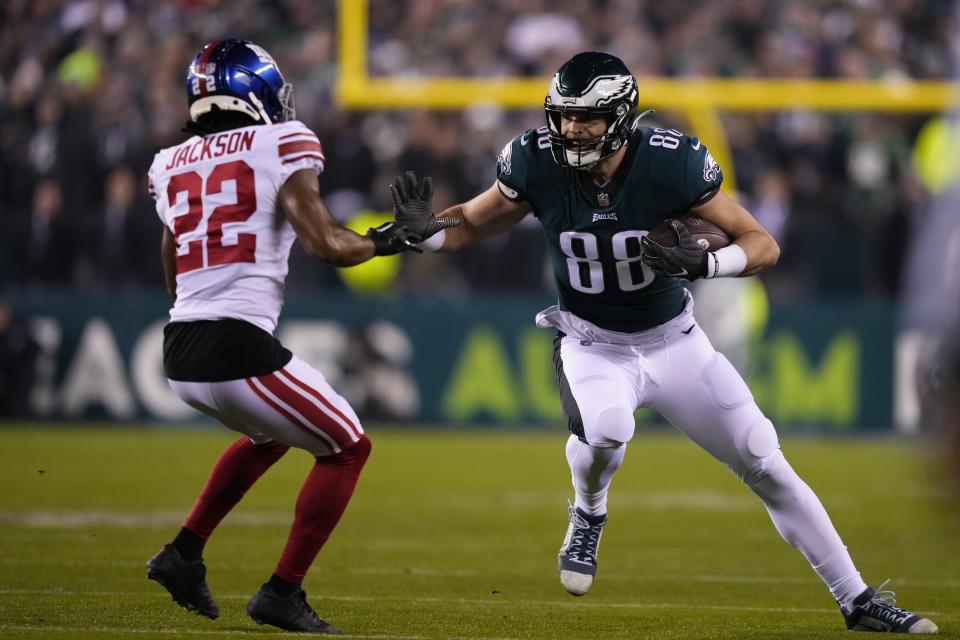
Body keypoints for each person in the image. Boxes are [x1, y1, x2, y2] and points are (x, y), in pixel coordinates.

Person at [390, 51, 937, 633]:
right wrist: (426, 237)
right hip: (593, 341)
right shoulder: (536, 160)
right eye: (565, 115)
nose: (572, 129)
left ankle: (856, 600)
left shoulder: (671, 164)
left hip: (676, 342)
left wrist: (708, 263)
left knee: (764, 457)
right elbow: (474, 221)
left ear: (622, 117)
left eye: (588, 117)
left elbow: (762, 242)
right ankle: (588, 512)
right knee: (606, 429)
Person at [144, 39, 435, 633]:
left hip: (178, 349)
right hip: (236, 346)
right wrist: (388, 240)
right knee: (349, 446)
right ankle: (282, 591)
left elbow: (173, 255)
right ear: (255, 93)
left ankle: (183, 552)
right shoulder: (284, 139)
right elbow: (326, 244)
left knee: (269, 437)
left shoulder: (166, 162)